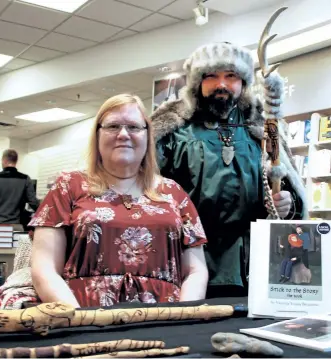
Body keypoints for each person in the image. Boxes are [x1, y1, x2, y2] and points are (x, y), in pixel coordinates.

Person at [150, 42, 307, 297]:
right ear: (197, 82)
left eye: (230, 76)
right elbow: (145, 195)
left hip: (250, 265)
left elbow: (289, 189)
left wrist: (287, 204)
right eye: (211, 76)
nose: (221, 84)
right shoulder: (171, 131)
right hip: (184, 263)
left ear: (243, 83)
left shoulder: (266, 129)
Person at [29, 94, 208, 308]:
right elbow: (44, 268)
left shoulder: (173, 192)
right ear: (97, 135)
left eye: (133, 127)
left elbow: (197, 272)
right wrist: (78, 320)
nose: (123, 134)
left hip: (162, 322)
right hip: (84, 318)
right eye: (113, 126)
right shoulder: (68, 186)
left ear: (148, 136)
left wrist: (182, 318)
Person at [0, 149, 40, 228]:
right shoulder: (25, 179)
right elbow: (33, 203)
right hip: (15, 225)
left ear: (4, 160)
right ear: (16, 161)